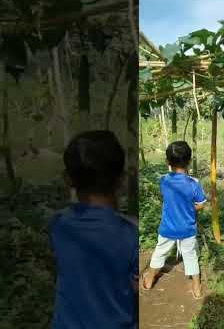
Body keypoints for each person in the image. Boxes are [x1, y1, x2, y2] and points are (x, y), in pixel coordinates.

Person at [48, 130, 138, 329]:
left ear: (68, 180)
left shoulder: (58, 225)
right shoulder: (130, 234)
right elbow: (134, 288)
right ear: (121, 180)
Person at [142, 141, 206, 299]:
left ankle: (149, 280)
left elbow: (168, 198)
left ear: (167, 162)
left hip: (168, 229)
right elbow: (201, 204)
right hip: (187, 229)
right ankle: (196, 288)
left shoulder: (164, 181)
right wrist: (190, 208)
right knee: (190, 256)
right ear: (189, 161)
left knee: (159, 253)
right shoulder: (194, 184)